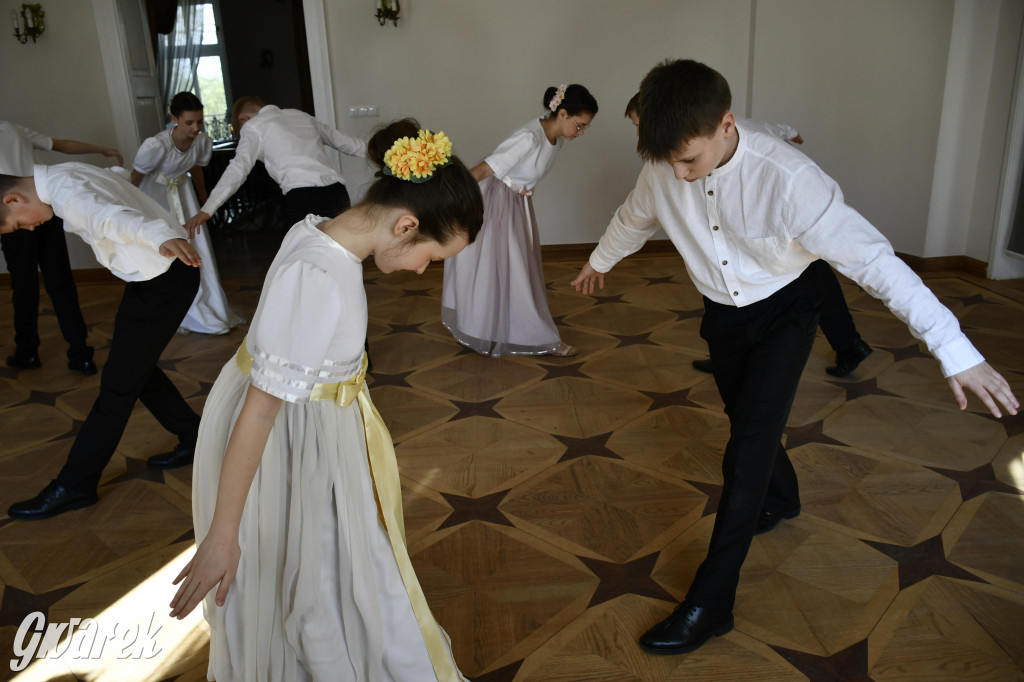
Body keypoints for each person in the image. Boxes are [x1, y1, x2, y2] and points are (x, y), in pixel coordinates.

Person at [572, 59, 1019, 656]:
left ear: (727, 125)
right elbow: (635, 217)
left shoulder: (789, 178)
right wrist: (598, 261)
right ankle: (781, 498)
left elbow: (875, 263)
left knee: (747, 449)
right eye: (668, 162)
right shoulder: (662, 166)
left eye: (689, 161)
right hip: (722, 315)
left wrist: (953, 348)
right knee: (746, 421)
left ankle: (711, 602)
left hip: (787, 311)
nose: (678, 175)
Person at [168, 119, 482, 681]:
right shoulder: (321, 274)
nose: (421, 271)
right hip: (286, 439)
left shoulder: (320, 231)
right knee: (309, 570)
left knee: (331, 566)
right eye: (431, 258)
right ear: (406, 224)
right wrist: (222, 534)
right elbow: (262, 409)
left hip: (314, 428)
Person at [3, 162, 204, 520]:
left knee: (117, 387)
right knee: (134, 370)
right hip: (155, 278)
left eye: (20, 222)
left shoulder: (66, 192)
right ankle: (195, 438)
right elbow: (111, 183)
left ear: (13, 199)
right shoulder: (63, 174)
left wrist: (159, 235)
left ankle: (75, 485)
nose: (30, 227)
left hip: (162, 276)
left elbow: (109, 215)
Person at [624, 94, 873, 378]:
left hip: (783, 233)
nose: (641, 133)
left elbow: (762, 129)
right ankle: (845, 344)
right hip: (758, 254)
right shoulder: (688, 152)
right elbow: (770, 127)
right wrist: (790, 132)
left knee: (807, 279)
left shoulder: (730, 138)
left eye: (640, 123)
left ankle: (848, 344)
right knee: (727, 276)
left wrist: (788, 134)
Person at [441, 83, 598, 357]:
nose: (582, 132)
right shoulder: (530, 137)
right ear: (562, 114)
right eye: (580, 125)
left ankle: (513, 330)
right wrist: (449, 197)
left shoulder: (556, 138)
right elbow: (482, 169)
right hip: (494, 205)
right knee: (501, 269)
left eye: (586, 127)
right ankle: (541, 338)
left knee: (511, 269)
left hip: (514, 204)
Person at [0, 121, 122, 374]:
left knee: (23, 286)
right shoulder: (11, 128)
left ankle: (27, 351)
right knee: (61, 282)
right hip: (43, 205)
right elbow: (63, 145)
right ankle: (81, 354)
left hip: (13, 216)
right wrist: (102, 149)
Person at [131, 92, 243, 335]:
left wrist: (204, 200)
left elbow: (196, 169)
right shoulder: (156, 145)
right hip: (157, 197)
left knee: (197, 244)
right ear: (174, 118)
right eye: (189, 122)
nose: (195, 128)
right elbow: (135, 179)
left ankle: (206, 303)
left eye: (199, 121)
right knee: (167, 250)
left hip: (184, 194)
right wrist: (133, 208)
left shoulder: (203, 142)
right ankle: (174, 308)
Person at [185, 96, 368, 236]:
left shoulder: (253, 126)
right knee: (341, 253)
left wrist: (207, 210)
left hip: (304, 197)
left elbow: (238, 169)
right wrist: (393, 154)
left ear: (243, 119)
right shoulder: (302, 116)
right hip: (337, 192)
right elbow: (354, 146)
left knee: (300, 259)